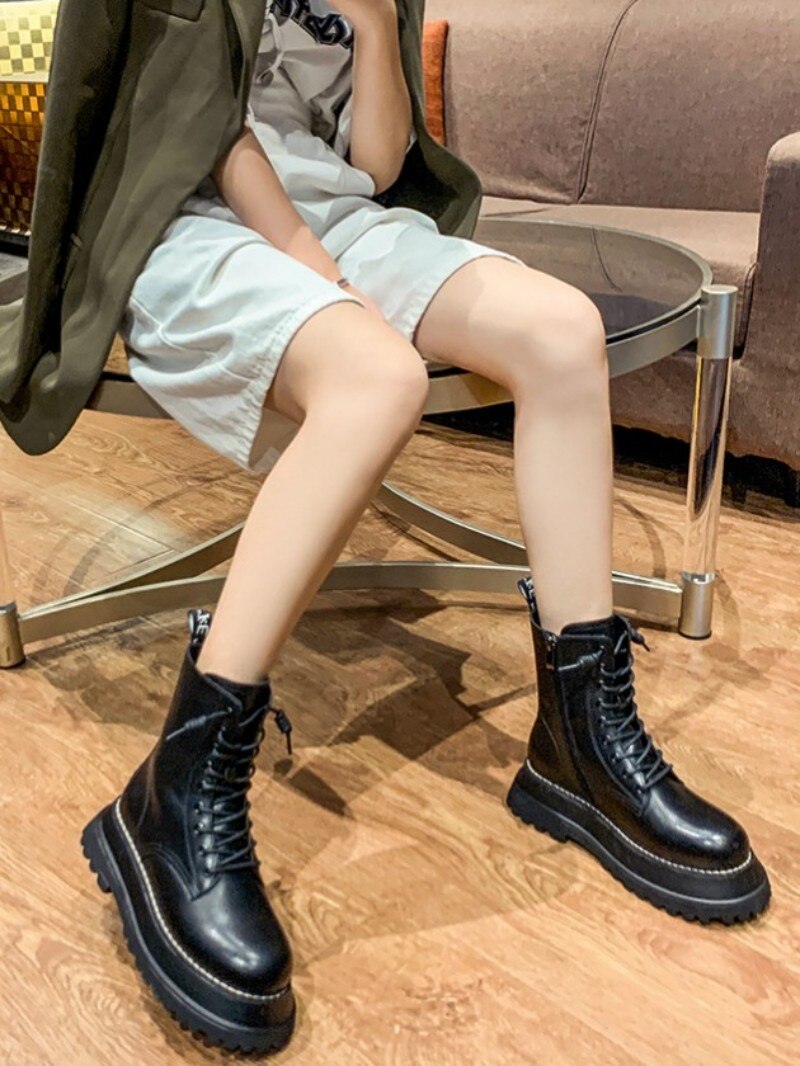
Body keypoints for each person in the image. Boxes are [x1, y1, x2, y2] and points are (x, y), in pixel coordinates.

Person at [80, 0, 770, 1054]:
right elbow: (194, 121)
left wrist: (369, 21)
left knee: (561, 330)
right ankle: (172, 797)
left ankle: (578, 741)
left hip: (340, 217)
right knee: (378, 379)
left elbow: (377, 160)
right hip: (186, 218)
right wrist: (319, 273)